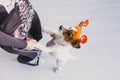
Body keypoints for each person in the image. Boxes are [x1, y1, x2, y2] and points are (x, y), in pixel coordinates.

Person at [0, 0, 42, 66]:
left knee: (35, 40)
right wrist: (25, 44)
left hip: (27, 16)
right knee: (32, 50)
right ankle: (32, 55)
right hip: (14, 37)